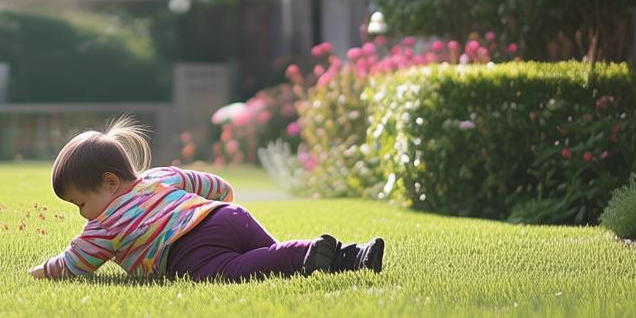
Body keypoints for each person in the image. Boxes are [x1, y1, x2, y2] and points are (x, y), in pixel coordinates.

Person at [28, 117, 384, 281]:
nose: (82, 215)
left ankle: (308, 255)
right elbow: (215, 185)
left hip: (191, 247)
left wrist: (42, 271)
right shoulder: (159, 177)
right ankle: (354, 255)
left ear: (108, 182)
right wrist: (221, 206)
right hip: (230, 217)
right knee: (273, 261)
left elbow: (74, 263)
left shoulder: (105, 225)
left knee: (235, 271)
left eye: (80, 204)